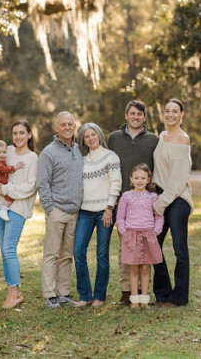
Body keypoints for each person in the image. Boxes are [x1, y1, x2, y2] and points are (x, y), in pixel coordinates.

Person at [107, 100, 159, 305]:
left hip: (146, 204)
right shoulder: (114, 138)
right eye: (132, 114)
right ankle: (127, 291)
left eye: (139, 114)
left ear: (144, 117)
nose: (135, 117)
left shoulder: (153, 140)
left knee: (146, 251)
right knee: (125, 250)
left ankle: (143, 291)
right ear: (126, 116)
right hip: (123, 201)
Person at [0, 121, 38, 308]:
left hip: (18, 208)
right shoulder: (6, 150)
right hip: (1, 205)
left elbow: (30, 186)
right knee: (4, 250)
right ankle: (11, 288)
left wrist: (5, 188)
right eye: (15, 133)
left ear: (29, 135)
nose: (18, 136)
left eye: (22, 133)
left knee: (9, 248)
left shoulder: (33, 158)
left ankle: (15, 292)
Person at [37, 111, 84, 308]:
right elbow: (42, 183)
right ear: (56, 128)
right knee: (51, 254)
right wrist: (50, 208)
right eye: (63, 124)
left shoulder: (79, 149)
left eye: (70, 124)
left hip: (75, 212)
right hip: (57, 211)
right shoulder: (49, 152)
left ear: (74, 126)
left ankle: (64, 293)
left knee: (67, 255)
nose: (67, 127)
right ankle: (49, 294)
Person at [73, 123, 121, 308]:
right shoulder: (82, 159)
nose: (91, 138)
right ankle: (85, 295)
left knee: (102, 253)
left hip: (104, 211)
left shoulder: (111, 157)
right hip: (84, 211)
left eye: (93, 134)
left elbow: (115, 183)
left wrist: (109, 208)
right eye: (87, 136)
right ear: (83, 140)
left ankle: (100, 295)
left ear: (99, 135)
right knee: (78, 251)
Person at [152, 98, 194, 307]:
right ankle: (163, 294)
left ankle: (179, 297)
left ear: (181, 114)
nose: (170, 114)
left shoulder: (183, 140)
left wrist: (161, 203)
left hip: (177, 199)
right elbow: (159, 169)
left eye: (175, 111)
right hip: (161, 195)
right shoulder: (162, 136)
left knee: (179, 249)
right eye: (167, 110)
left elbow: (178, 180)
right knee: (154, 245)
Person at [116, 164, 164, 309]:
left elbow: (159, 217)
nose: (139, 181)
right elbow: (120, 217)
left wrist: (155, 231)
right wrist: (124, 231)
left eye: (143, 178)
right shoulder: (126, 196)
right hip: (132, 235)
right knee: (134, 268)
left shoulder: (153, 197)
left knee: (145, 268)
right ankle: (134, 300)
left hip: (148, 235)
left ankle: (144, 299)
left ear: (148, 180)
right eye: (136, 178)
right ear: (131, 179)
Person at [0, 140, 25, 221]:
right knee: (10, 196)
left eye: (4, 152)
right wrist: (15, 167)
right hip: (0, 184)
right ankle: (3, 211)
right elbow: (4, 169)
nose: (2, 155)